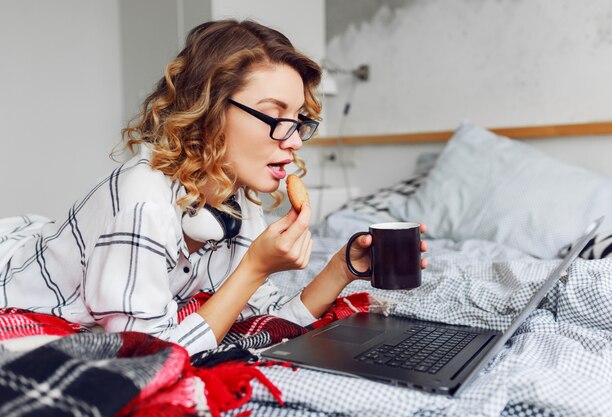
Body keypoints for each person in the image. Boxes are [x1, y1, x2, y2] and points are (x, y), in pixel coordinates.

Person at [0, 20, 427, 355]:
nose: (294, 140)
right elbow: (147, 357)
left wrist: (342, 267)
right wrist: (254, 268)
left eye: (299, 120)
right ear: (208, 112)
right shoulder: (144, 203)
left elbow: (270, 317)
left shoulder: (235, 199)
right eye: (274, 115)